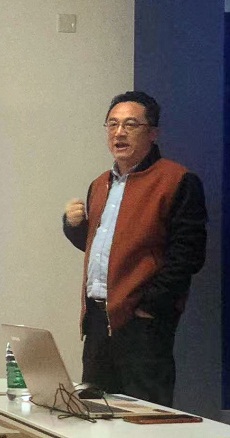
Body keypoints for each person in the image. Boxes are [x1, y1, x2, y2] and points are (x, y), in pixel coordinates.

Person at [62, 91, 207, 407]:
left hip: (143, 323)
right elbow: (107, 248)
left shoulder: (177, 180)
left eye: (130, 125)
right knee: (96, 413)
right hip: (98, 320)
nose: (119, 133)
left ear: (152, 133)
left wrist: (150, 306)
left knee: (143, 416)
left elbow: (188, 255)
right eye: (112, 124)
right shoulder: (100, 184)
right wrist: (73, 227)